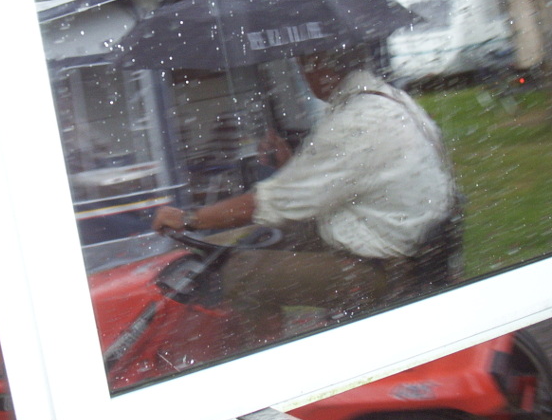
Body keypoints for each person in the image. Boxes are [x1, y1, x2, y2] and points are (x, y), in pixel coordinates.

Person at [152, 45, 457, 348]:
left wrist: (189, 219)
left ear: (319, 66)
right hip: (412, 246)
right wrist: (291, 167)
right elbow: (333, 183)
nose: (302, 75)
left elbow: (273, 202)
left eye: (302, 66)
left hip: (390, 271)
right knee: (272, 235)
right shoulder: (387, 99)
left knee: (242, 273)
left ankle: (267, 360)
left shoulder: (357, 122)